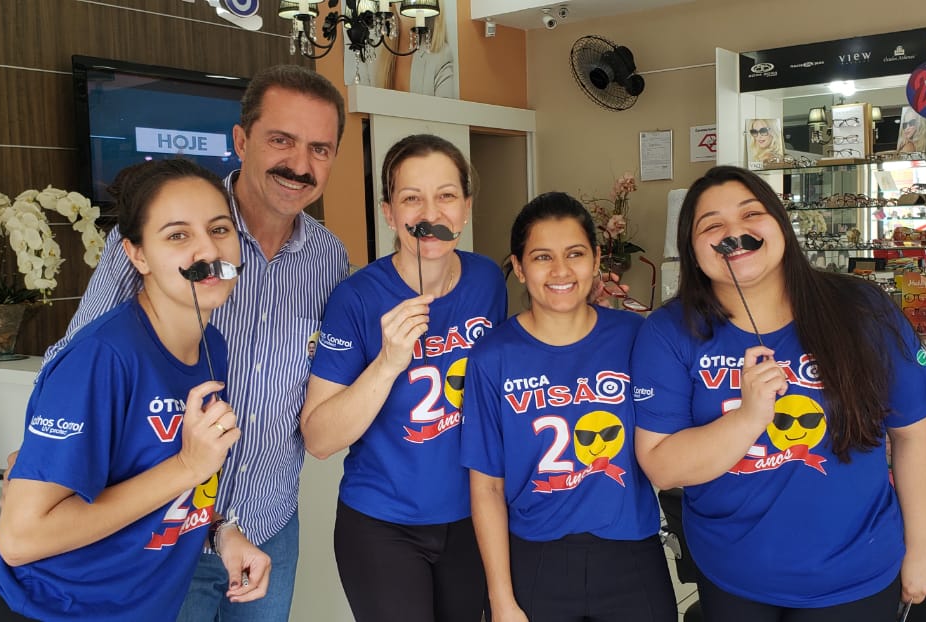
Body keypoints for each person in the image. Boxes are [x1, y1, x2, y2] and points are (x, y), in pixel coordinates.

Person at [45, 65, 350, 622]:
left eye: (320, 149)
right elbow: (75, 359)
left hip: (265, 525)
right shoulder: (162, 231)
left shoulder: (330, 258)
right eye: (281, 140)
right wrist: (45, 468)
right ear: (242, 141)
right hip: (161, 530)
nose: (300, 165)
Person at [632, 165, 926, 620]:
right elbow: (662, 468)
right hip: (732, 573)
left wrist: (921, 548)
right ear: (692, 249)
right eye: (712, 225)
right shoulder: (669, 332)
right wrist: (747, 418)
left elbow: (914, 435)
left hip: (855, 572)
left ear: (780, 224)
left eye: (750, 214)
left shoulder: (862, 309)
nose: (734, 233)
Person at [0, 159, 268, 621]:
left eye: (219, 229)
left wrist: (220, 531)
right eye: (178, 235)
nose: (208, 250)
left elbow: (163, 485)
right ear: (137, 255)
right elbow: (21, 538)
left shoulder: (212, 346)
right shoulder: (102, 357)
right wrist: (187, 466)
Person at [300, 134, 506, 622]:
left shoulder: (487, 281)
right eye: (412, 198)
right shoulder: (356, 298)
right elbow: (319, 438)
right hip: (383, 524)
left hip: (473, 516)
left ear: (466, 208)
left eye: (446, 195)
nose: (430, 213)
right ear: (389, 214)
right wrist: (389, 361)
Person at [461, 192, 676, 622]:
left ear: (596, 260)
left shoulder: (635, 336)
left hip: (631, 553)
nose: (560, 270)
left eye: (575, 254)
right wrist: (500, 598)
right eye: (542, 257)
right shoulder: (492, 356)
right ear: (519, 267)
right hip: (535, 559)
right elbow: (487, 488)